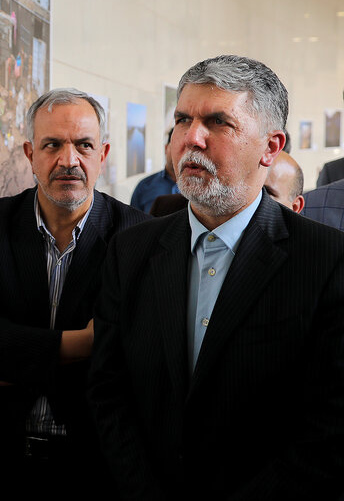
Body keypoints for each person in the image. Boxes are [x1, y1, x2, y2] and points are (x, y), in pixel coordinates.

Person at [89, 55, 344, 499]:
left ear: (270, 147)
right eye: (182, 119)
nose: (191, 138)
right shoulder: (131, 250)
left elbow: (329, 429)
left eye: (218, 122)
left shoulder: (326, 260)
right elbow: (109, 391)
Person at [0, 88, 149, 498]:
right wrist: (83, 342)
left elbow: (133, 352)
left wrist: (18, 349)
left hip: (92, 462)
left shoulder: (138, 235)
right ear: (29, 154)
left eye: (83, 145)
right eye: (52, 145)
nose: (68, 160)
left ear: (102, 154)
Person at [130, 127, 180, 212]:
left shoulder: (199, 188)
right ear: (166, 148)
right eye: (175, 147)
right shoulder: (144, 186)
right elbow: (133, 222)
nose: (179, 153)